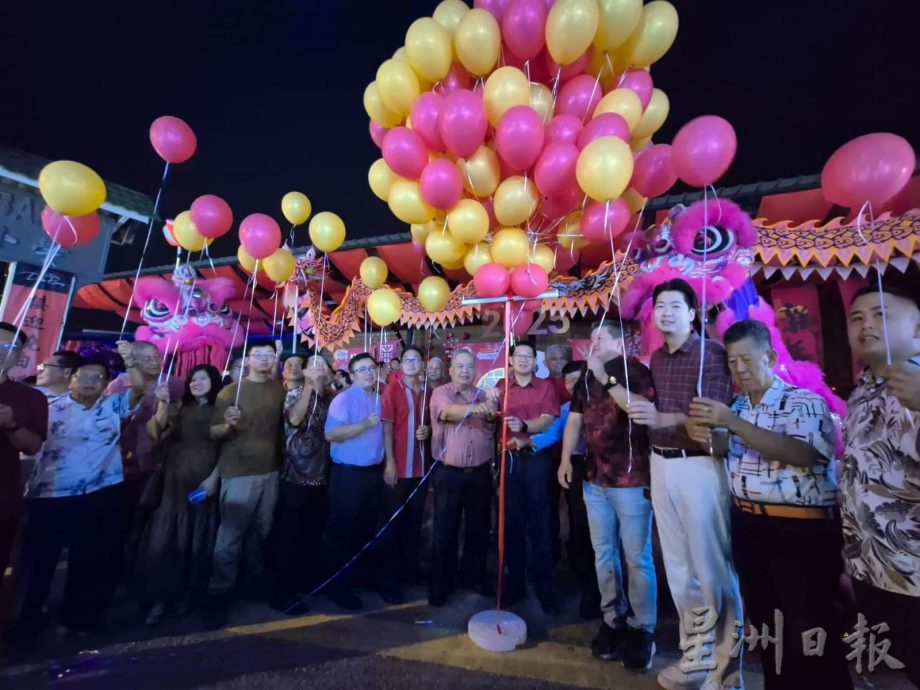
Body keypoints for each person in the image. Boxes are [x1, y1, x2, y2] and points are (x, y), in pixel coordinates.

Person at [688, 319, 852, 690]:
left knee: (809, 627)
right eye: (732, 362)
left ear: (771, 356)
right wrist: (706, 437)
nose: (740, 369)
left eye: (747, 359)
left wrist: (732, 423)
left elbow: (805, 453)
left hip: (799, 529)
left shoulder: (804, 401)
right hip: (749, 526)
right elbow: (725, 451)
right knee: (768, 627)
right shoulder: (737, 406)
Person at [626, 278, 743, 690]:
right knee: (677, 567)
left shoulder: (712, 354)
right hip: (662, 464)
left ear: (693, 313)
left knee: (712, 567)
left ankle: (727, 672)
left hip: (700, 468)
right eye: (660, 306)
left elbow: (714, 414)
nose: (667, 312)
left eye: (676, 305)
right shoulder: (657, 358)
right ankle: (696, 657)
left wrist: (664, 418)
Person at [17, 357, 146, 638]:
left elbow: (139, 386)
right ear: (71, 378)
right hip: (51, 493)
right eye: (83, 376)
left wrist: (131, 358)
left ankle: (76, 618)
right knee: (41, 562)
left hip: (99, 493)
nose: (89, 381)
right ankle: (27, 619)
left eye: (98, 377)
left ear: (106, 383)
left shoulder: (113, 405)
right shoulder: (50, 408)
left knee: (86, 560)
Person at [560, 322, 657, 672]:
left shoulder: (636, 371)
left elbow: (638, 410)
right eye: (592, 338)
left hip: (631, 478)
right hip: (594, 478)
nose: (593, 342)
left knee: (636, 557)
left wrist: (604, 375)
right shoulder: (586, 376)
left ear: (620, 341)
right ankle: (612, 618)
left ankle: (642, 628)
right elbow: (574, 420)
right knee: (604, 554)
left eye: (601, 337)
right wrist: (564, 459)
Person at [841, 282, 920, 687]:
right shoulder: (864, 389)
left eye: (881, 314)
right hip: (873, 570)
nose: (866, 325)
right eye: (857, 317)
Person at [202, 341, 285, 630]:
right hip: (239, 472)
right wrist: (228, 424)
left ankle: (251, 583)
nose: (264, 360)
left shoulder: (278, 389)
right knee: (230, 535)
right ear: (247, 360)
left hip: (272, 470)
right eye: (258, 355)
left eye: (269, 355)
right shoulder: (230, 392)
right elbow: (214, 432)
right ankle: (219, 593)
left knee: (261, 530)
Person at [133, 365, 223, 626]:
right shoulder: (177, 407)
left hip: (203, 477)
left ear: (214, 381)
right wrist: (162, 404)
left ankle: (189, 595)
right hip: (173, 479)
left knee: (197, 535)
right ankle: (160, 597)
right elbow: (154, 433)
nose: (197, 383)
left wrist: (214, 478)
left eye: (203, 378)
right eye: (193, 379)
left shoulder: (223, 407)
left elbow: (227, 447)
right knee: (167, 537)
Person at [522, 360, 602, 620]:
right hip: (576, 469)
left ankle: (601, 590)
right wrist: (525, 441)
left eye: (577, 380)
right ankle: (586, 584)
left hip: (607, 472)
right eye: (568, 382)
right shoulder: (567, 408)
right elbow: (553, 433)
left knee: (601, 533)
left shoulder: (606, 405)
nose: (572, 386)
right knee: (580, 526)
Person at [108, 340, 185, 578]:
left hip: (163, 459)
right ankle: (119, 569)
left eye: (156, 357)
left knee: (153, 520)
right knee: (124, 519)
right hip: (129, 462)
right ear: (135, 360)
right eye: (147, 358)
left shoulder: (173, 383)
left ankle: (146, 570)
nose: (154, 362)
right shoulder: (119, 385)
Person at [428, 348, 497, 607]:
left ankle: (474, 578)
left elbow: (492, 420)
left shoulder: (483, 394)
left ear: (476, 370)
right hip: (449, 473)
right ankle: (440, 584)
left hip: (479, 472)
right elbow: (448, 413)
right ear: (451, 370)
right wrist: (480, 408)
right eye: (460, 366)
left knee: (479, 529)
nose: (465, 370)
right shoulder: (441, 393)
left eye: (469, 366)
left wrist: (489, 408)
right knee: (445, 530)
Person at [271, 353, 336, 616]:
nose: (317, 369)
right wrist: (309, 386)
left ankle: (303, 583)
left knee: (312, 533)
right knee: (289, 535)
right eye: (312, 365)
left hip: (322, 475)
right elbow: (295, 420)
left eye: (322, 365)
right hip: (295, 475)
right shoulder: (296, 393)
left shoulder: (332, 397)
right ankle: (280, 593)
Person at [499, 341, 560, 613]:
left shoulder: (545, 387)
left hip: (536, 461)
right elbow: (492, 417)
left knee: (540, 525)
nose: (523, 360)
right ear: (510, 360)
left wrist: (524, 426)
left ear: (535, 361)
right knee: (512, 524)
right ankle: (515, 584)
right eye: (518, 356)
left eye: (528, 356)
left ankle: (545, 586)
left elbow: (547, 420)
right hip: (508, 461)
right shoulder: (501, 387)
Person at [323, 353, 384, 610]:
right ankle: (338, 588)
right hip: (348, 476)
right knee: (343, 532)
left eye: (372, 368)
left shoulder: (380, 398)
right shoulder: (343, 400)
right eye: (362, 370)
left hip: (373, 474)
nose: (369, 373)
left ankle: (358, 578)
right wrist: (361, 425)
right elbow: (331, 434)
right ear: (352, 374)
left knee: (365, 529)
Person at [379, 346, 431, 604]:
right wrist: (389, 463)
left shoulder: (429, 393)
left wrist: (428, 431)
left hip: (421, 470)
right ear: (401, 365)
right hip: (398, 468)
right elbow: (386, 428)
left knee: (414, 523)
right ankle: (389, 581)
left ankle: (410, 571)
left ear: (423, 363)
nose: (411, 363)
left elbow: (434, 425)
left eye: (416, 359)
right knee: (393, 524)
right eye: (407, 359)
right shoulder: (393, 389)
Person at [0, 324, 47, 600]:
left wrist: (12, 425)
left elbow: (33, 446)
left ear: (19, 355)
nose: (0, 352)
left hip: (3, 500)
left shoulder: (31, 398)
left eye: (8, 348)